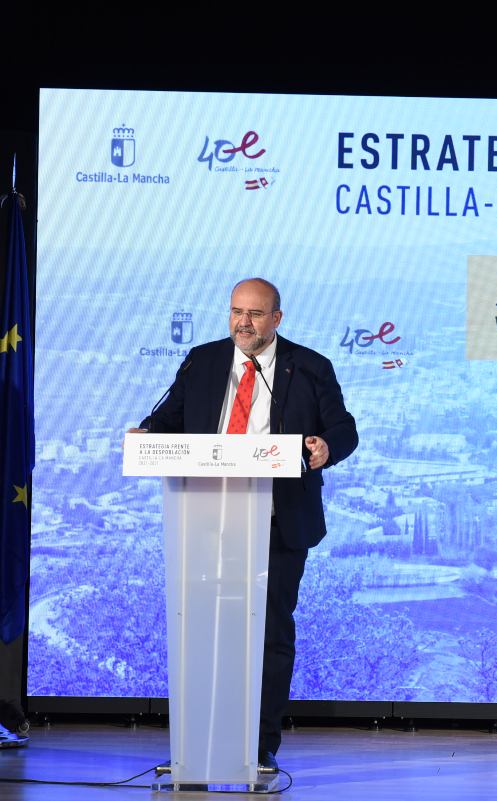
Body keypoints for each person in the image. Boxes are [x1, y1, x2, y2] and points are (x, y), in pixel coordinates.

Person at [133, 278, 358, 772]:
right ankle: (200, 738)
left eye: (255, 314)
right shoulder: (203, 360)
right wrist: (147, 434)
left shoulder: (311, 367)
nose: (243, 322)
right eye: (236, 311)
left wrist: (325, 448)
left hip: (277, 523)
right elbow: (168, 418)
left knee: (270, 632)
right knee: (203, 629)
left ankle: (259, 745)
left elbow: (343, 428)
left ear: (277, 319)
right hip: (206, 521)